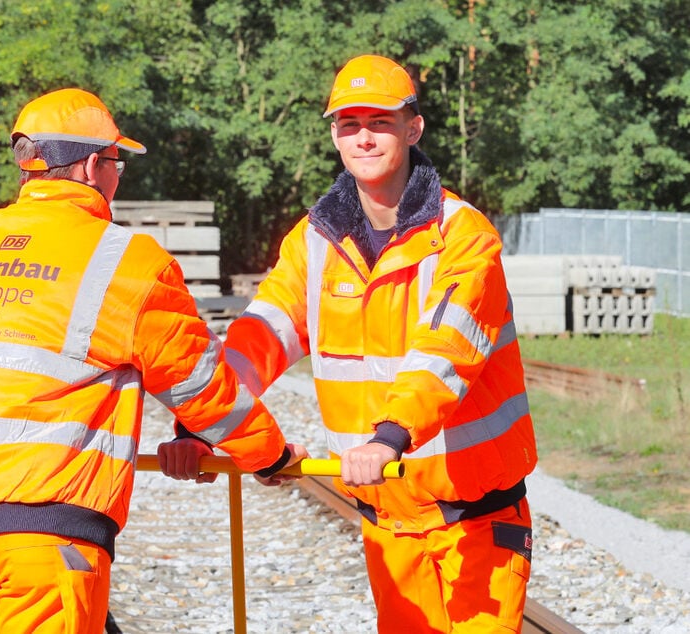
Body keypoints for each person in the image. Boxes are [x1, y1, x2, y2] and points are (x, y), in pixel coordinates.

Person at [0, 87, 307, 634]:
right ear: (93, 165)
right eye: (118, 163)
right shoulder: (125, 260)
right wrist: (270, 456)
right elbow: (202, 388)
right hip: (46, 529)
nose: (118, 177)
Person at [157, 54, 538, 632]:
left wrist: (389, 438)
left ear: (414, 128)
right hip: (386, 520)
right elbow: (258, 340)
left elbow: (446, 351)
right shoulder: (315, 241)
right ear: (334, 135)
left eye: (380, 122)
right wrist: (198, 426)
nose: (364, 137)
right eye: (349, 124)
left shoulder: (461, 235)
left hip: (475, 521)